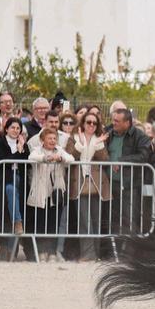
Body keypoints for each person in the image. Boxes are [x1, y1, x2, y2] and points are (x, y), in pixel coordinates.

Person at [66, 111, 110, 262]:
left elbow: (104, 159)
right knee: (84, 220)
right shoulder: (74, 137)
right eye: (88, 122)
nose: (91, 125)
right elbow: (70, 156)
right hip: (79, 182)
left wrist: (98, 144)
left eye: (94, 123)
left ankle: (95, 254)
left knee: (96, 220)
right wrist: (80, 143)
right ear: (83, 123)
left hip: (96, 184)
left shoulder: (99, 139)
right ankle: (87, 253)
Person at [27, 126, 69, 261]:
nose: (52, 141)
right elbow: (31, 157)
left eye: (54, 138)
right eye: (49, 138)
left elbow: (71, 159)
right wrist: (46, 158)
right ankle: (41, 251)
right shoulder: (37, 150)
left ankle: (52, 252)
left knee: (53, 223)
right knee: (40, 222)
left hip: (56, 193)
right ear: (42, 140)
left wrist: (61, 158)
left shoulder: (60, 150)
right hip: (40, 192)